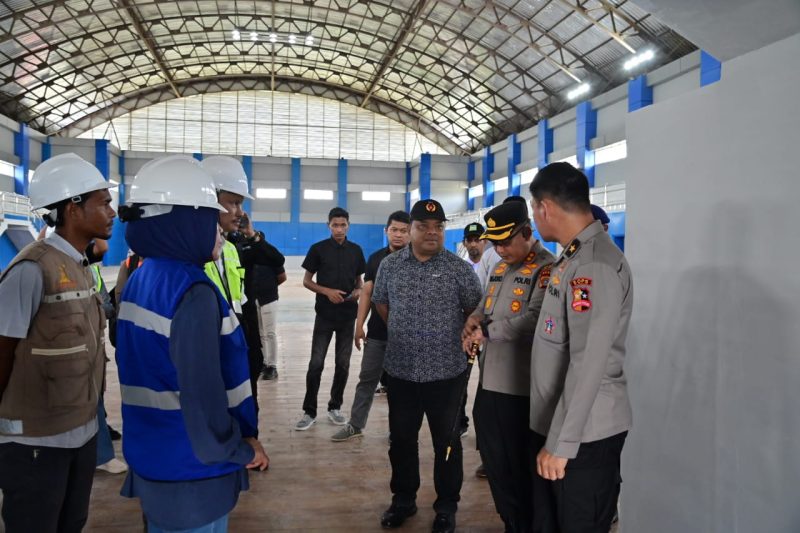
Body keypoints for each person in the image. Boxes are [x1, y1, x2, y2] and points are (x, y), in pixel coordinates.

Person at [116, 154, 268, 533]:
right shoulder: (191, 291)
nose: (221, 226)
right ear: (183, 221)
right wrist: (240, 448)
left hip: (155, 455)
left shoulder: (143, 275)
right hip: (193, 469)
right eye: (209, 216)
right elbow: (201, 398)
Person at [0, 153, 115, 533]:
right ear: (73, 208)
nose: (112, 211)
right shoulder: (33, 269)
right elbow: (1, 351)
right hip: (35, 441)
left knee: (71, 523)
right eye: (103, 202)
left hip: (79, 433)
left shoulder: (80, 267)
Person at [527, 162, 633, 533]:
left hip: (584, 436)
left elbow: (588, 362)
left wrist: (561, 444)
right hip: (565, 428)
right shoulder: (572, 257)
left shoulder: (595, 265)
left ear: (545, 208)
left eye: (533, 211)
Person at [372, 199, 483, 533]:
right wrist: (407, 333)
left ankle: (446, 507)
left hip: (446, 374)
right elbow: (381, 303)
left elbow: (474, 310)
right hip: (401, 371)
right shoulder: (390, 266)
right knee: (402, 441)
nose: (432, 233)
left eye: (438, 227)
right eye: (424, 227)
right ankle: (403, 500)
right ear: (411, 230)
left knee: (446, 443)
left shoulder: (458, 269)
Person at [461, 201, 554, 533]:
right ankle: (511, 522)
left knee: (519, 467)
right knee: (495, 463)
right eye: (494, 243)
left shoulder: (546, 269)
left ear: (527, 232)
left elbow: (535, 318)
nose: (499, 250)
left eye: (505, 242)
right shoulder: (500, 268)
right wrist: (473, 320)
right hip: (491, 383)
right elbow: (487, 305)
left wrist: (488, 332)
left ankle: (527, 524)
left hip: (521, 389)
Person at [330, 210, 411, 442]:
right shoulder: (376, 259)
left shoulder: (416, 261)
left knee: (401, 386)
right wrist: (359, 326)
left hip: (406, 336)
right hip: (378, 333)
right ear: (386, 231)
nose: (398, 235)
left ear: (411, 233)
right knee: (367, 378)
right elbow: (366, 291)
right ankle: (355, 424)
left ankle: (399, 429)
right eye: (394, 230)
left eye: (403, 231)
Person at [200, 156, 264, 408]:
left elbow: (242, 303)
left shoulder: (230, 247)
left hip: (238, 350)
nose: (240, 212)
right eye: (234, 203)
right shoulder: (189, 255)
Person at [295, 207, 366, 430]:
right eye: (335, 225)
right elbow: (307, 281)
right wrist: (327, 292)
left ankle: (335, 407)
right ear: (328, 226)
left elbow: (360, 284)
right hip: (324, 316)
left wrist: (357, 293)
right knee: (316, 363)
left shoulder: (356, 251)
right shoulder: (318, 249)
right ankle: (309, 411)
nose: (339, 229)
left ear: (348, 226)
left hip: (347, 317)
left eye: (343, 225)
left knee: (342, 364)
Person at [235, 212, 286, 381]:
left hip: (269, 297)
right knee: (259, 333)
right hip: (251, 299)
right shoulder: (246, 255)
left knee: (269, 332)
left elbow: (282, 276)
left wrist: (269, 287)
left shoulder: (270, 257)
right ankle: (264, 362)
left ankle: (272, 365)